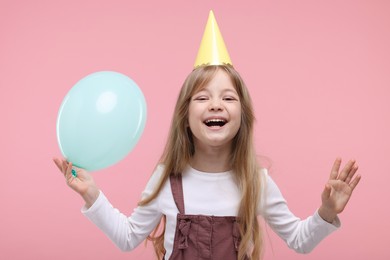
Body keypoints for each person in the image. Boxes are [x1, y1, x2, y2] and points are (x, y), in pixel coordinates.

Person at [53, 11, 361, 260]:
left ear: (243, 116)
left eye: (228, 98)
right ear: (185, 118)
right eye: (202, 98)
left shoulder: (256, 182)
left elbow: (299, 240)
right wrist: (90, 193)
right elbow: (127, 237)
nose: (216, 104)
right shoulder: (166, 180)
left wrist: (326, 212)